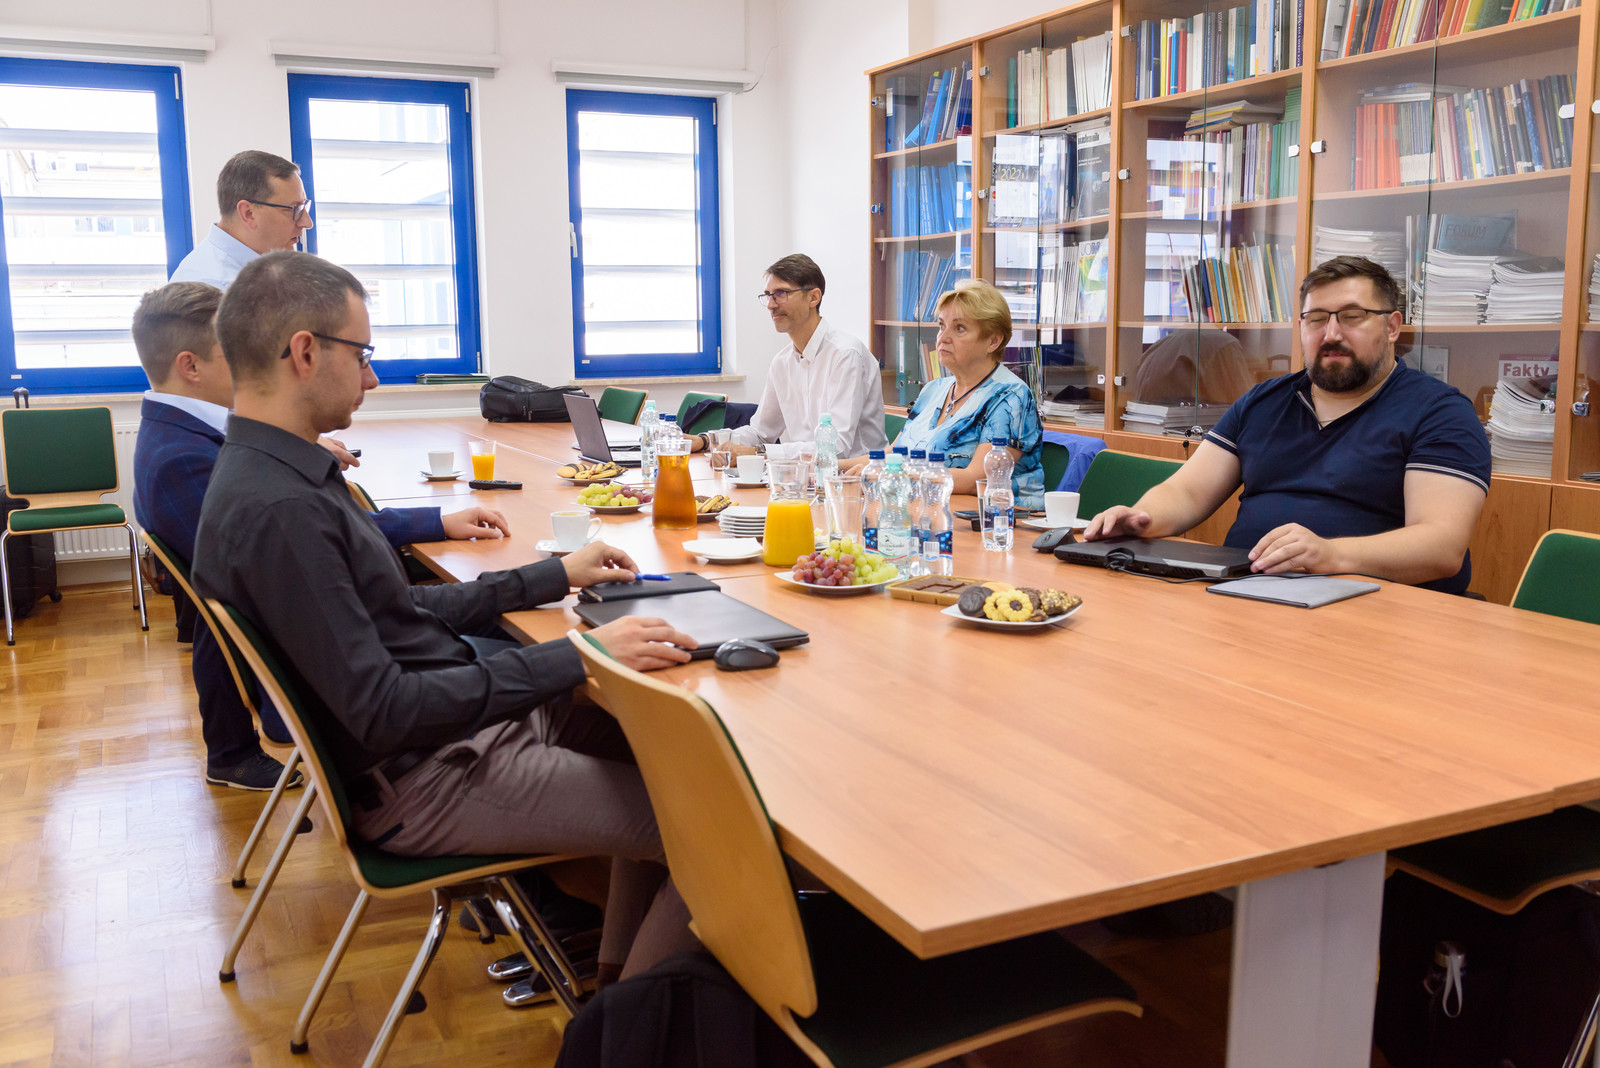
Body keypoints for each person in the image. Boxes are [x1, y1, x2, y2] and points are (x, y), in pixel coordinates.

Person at [191, 250, 700, 983]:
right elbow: (386, 711)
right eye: (362, 355)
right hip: (431, 773)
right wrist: (583, 656)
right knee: (707, 827)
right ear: (304, 352)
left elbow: (395, 609)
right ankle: (629, 1027)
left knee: (657, 744)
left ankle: (614, 983)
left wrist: (552, 575)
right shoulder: (282, 511)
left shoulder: (274, 473)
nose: (372, 378)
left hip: (449, 736)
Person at [131, 281, 509, 789]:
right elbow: (293, 554)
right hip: (331, 695)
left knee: (503, 619)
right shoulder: (186, 459)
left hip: (337, 672)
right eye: (233, 351)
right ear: (190, 366)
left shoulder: (184, 434)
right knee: (512, 632)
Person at [1085, 256, 1491, 594]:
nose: (1331, 333)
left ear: (1391, 327)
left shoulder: (1439, 413)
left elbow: (1441, 546)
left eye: (1352, 317)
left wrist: (1331, 555)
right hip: (1246, 592)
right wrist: (1141, 517)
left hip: (1380, 609)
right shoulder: (1264, 401)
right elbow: (1187, 491)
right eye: (1316, 319)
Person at [842, 278, 1044, 509]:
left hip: (994, 519)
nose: (943, 337)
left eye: (959, 328)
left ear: (993, 341)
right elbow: (893, 455)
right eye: (941, 326)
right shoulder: (933, 389)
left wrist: (893, 475)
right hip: (926, 509)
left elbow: (976, 479)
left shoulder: (1011, 396)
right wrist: (832, 466)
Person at [690, 254, 888, 457]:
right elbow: (760, 432)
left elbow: (836, 448)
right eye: (768, 295)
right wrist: (705, 441)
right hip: (802, 472)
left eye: (780, 294)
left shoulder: (845, 354)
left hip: (853, 473)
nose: (770, 305)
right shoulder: (782, 362)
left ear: (813, 297)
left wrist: (757, 453)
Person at [170, 151, 313, 288]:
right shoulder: (216, 289)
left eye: (304, 207)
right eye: (294, 209)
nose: (307, 223)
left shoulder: (260, 266)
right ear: (248, 213)